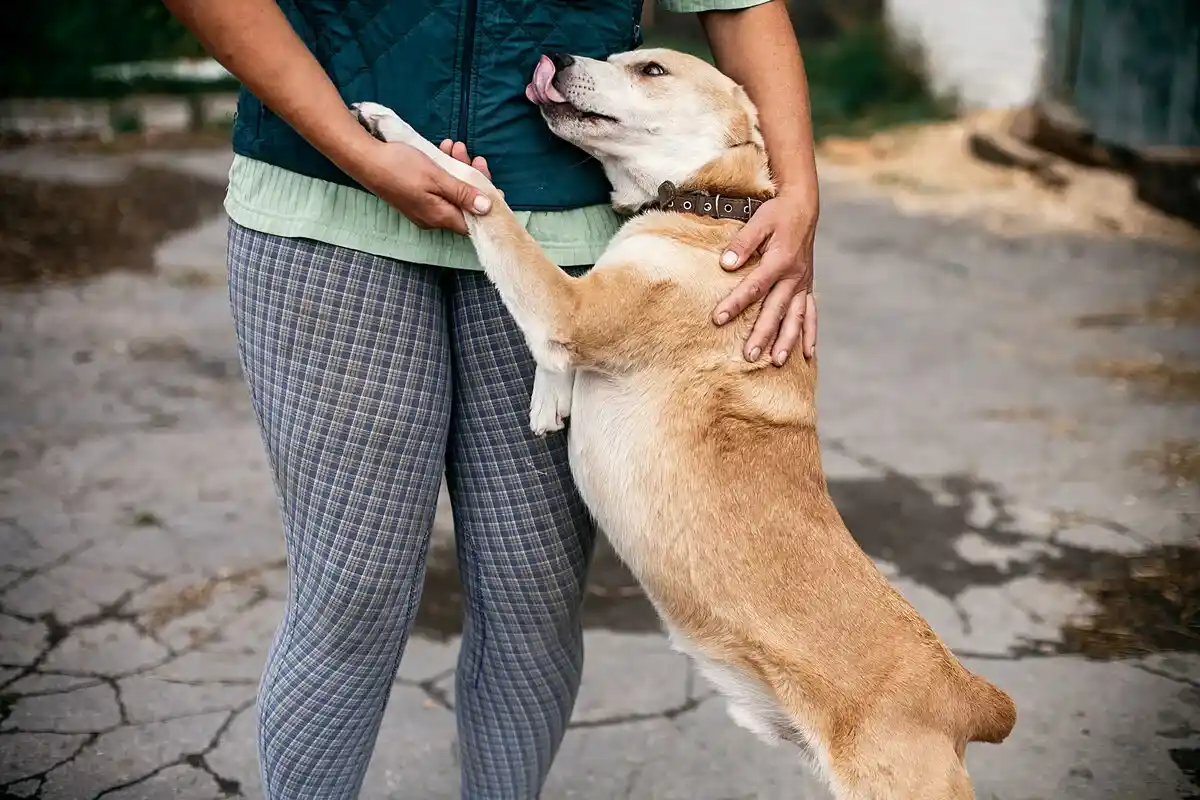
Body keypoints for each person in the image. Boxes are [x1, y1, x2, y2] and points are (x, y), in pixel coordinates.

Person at [163, 0, 820, 797]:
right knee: (350, 595)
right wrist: (358, 151)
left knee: (531, 597)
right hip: (325, 203)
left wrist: (793, 193)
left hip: (574, 234)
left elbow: (738, 4)